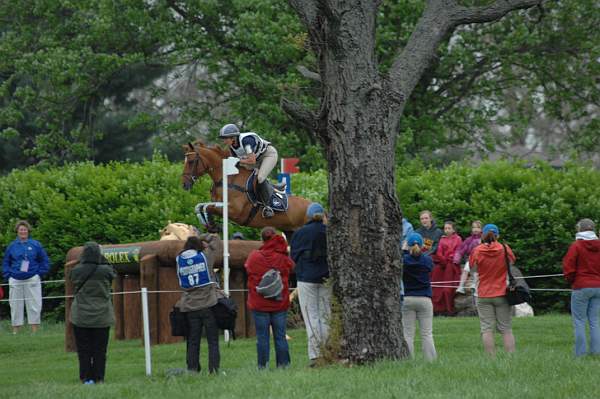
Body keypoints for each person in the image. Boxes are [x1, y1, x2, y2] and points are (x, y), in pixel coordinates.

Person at [245, 227, 295, 369]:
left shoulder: (254, 256)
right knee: (280, 336)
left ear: (262, 239)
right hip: (279, 303)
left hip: (259, 303)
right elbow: (291, 268)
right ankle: (284, 365)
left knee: (262, 337)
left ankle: (263, 366)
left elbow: (248, 270)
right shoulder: (282, 256)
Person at [290, 203, 331, 367]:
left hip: (306, 278)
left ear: (308, 215)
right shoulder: (329, 232)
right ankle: (329, 351)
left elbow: (294, 256)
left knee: (311, 317)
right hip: (327, 278)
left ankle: (316, 355)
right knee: (325, 315)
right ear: (323, 215)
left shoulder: (300, 233)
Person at [69, 242, 115, 384]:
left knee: (83, 350)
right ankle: (99, 377)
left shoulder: (77, 270)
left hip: (81, 314)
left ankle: (85, 377)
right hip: (102, 314)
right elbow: (113, 275)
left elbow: (72, 280)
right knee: (100, 350)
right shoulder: (105, 270)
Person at [175, 234, 221, 374]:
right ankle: (214, 370)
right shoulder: (205, 257)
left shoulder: (179, 259)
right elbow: (216, 240)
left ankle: (192, 369)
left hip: (189, 306)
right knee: (213, 341)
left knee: (193, 341)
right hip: (208, 304)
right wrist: (202, 236)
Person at [468, 224, 516, 355]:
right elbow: (511, 263)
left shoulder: (477, 250)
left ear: (482, 235)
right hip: (502, 292)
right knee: (506, 328)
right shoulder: (505, 249)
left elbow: (473, 269)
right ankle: (511, 359)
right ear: (498, 235)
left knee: (487, 329)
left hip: (483, 293)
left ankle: (491, 359)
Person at [218, 123, 284, 218]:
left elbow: (251, 160)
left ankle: (267, 206)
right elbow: (239, 163)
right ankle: (272, 187)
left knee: (260, 178)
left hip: (267, 155)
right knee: (247, 178)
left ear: (233, 137)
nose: (224, 141)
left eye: (225, 138)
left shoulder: (246, 141)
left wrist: (237, 160)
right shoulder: (232, 147)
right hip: (255, 160)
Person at [2, 220, 50, 334]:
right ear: (17, 231)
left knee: (34, 303)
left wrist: (39, 273)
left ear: (28, 231)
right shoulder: (12, 246)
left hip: (32, 277)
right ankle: (16, 331)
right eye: (20, 230)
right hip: (15, 278)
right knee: (15, 305)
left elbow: (44, 260)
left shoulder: (35, 244)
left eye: (24, 229)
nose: (23, 231)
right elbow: (6, 262)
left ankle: (34, 331)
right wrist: (8, 275)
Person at [562, 218, 600, 357]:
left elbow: (569, 266)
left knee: (579, 321)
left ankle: (580, 353)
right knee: (594, 320)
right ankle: (596, 352)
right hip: (598, 286)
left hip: (581, 285)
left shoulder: (577, 246)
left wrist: (571, 280)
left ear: (579, 229)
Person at [401, 233, 437, 361]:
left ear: (408, 245)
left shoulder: (404, 260)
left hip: (408, 298)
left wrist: (403, 249)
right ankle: (431, 360)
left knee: (408, 334)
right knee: (427, 333)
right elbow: (430, 267)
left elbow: (400, 260)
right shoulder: (427, 260)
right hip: (425, 299)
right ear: (421, 245)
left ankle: (408, 359)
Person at [431, 221, 463, 315]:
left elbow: (458, 251)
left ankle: (448, 308)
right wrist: (443, 260)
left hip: (452, 263)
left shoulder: (458, 239)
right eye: (445, 228)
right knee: (436, 274)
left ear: (453, 229)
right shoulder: (442, 239)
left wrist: (450, 259)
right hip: (443, 262)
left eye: (449, 228)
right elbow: (439, 251)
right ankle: (436, 308)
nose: (447, 230)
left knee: (447, 287)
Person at [456, 220, 483, 294]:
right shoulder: (469, 239)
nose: (475, 229)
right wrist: (458, 256)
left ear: (481, 229)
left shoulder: (483, 239)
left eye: (478, 227)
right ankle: (461, 286)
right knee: (465, 270)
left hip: (480, 260)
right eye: (473, 227)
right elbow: (462, 248)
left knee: (476, 272)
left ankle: (474, 285)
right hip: (471, 259)